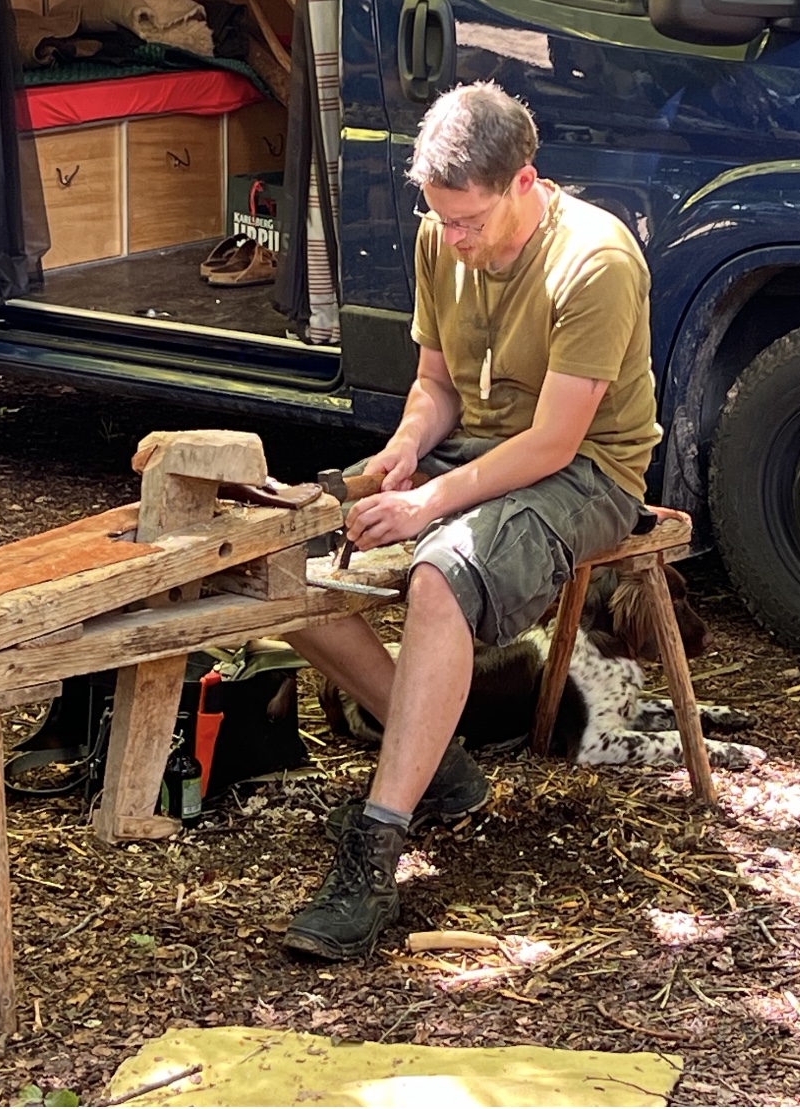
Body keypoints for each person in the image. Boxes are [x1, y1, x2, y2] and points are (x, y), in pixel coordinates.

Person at [282, 81, 661, 959]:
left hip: (586, 472)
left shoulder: (595, 261)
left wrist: (426, 502)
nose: (453, 239)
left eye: (470, 221)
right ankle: (444, 768)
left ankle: (377, 845)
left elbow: (552, 442)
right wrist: (404, 449)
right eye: (441, 219)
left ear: (525, 181)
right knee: (282, 556)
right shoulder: (440, 235)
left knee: (440, 574)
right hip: (474, 455)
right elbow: (436, 384)